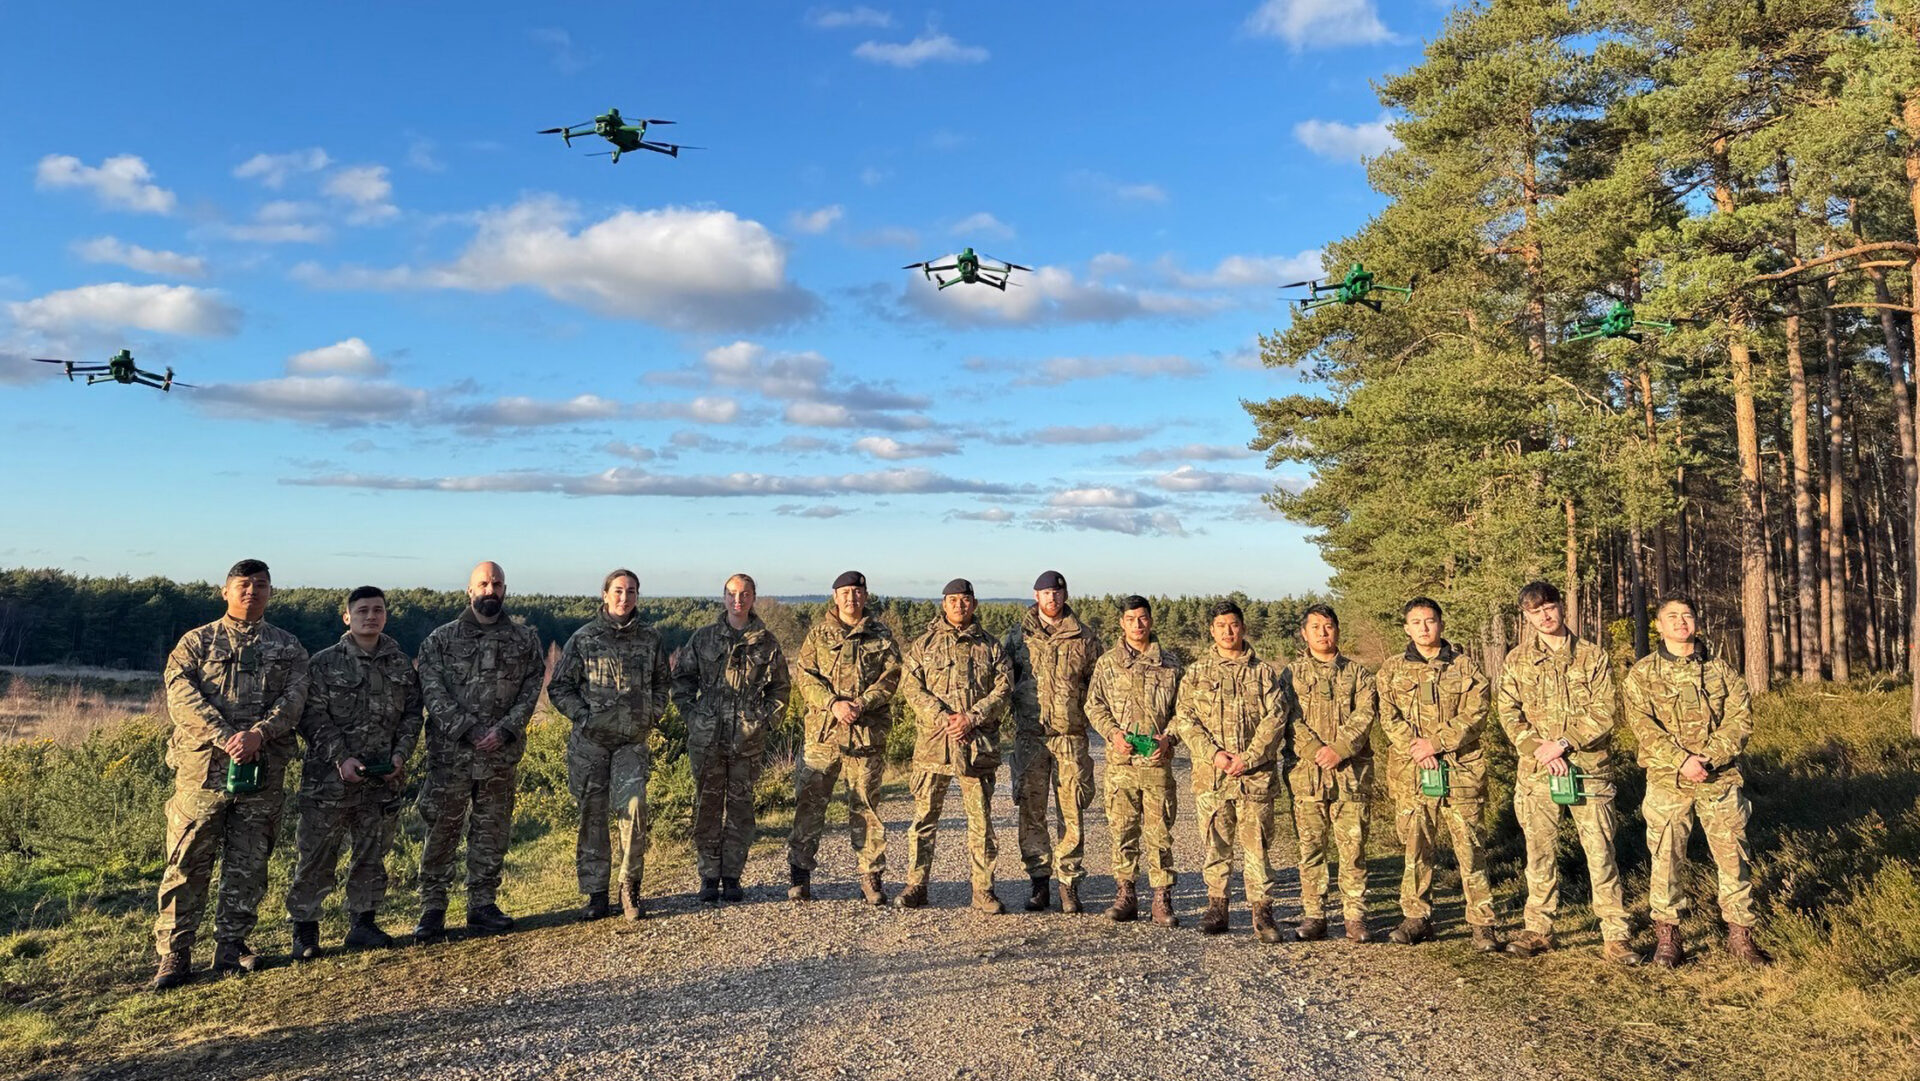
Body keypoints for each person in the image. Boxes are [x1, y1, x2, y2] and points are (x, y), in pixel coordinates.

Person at [151, 558, 308, 990]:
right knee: (187, 860)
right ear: (225, 591)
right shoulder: (196, 642)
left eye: (260, 585)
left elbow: (295, 699)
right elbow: (180, 696)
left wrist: (259, 734)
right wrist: (227, 737)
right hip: (203, 773)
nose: (251, 591)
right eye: (243, 584)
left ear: (271, 593)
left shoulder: (288, 646)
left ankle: (232, 944)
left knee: (249, 862)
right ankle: (175, 953)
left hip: (262, 771)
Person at [1497, 581, 1641, 966]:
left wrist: (1563, 743)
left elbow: (1606, 711)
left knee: (1600, 852)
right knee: (1539, 853)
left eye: (1549, 607)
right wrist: (1539, 749)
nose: (1544, 616)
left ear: (1561, 607)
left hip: (1588, 771)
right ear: (1526, 618)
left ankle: (1616, 934)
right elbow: (1508, 714)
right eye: (1534, 611)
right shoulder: (1517, 660)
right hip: (1537, 774)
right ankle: (1539, 929)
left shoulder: (1592, 656)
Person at [1622, 596, 1770, 967]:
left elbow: (1740, 720)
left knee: (1733, 857)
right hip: (1667, 781)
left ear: (1697, 623)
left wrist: (1708, 758)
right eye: (1672, 617)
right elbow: (1642, 727)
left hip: (1719, 779)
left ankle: (1740, 935)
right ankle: (1669, 938)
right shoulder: (1642, 674)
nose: (1680, 622)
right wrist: (1681, 760)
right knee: (1666, 858)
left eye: (1687, 615)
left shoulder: (1722, 672)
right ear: (1658, 625)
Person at [285, 585, 422, 960]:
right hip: (329, 781)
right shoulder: (324, 663)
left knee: (372, 854)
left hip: (382, 781)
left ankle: (363, 923)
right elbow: (311, 717)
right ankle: (305, 931)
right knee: (317, 856)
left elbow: (412, 714)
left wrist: (401, 754)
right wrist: (340, 758)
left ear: (386, 616)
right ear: (347, 617)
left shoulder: (399, 664)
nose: (371, 616)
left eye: (378, 610)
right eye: (362, 611)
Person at [413, 561, 545, 940]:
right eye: (483, 584)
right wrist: (468, 729)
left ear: (506, 589)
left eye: (497, 584)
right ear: (469, 590)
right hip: (451, 756)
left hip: (500, 755)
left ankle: (482, 905)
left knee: (492, 831)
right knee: (441, 829)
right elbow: (431, 689)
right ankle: (432, 909)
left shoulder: (524, 640)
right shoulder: (441, 639)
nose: (491, 590)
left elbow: (532, 687)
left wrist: (506, 729)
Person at [1375, 596, 1502, 952]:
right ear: (1406, 628)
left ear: (1441, 624)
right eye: (1416, 622)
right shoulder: (1391, 670)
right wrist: (1416, 747)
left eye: (1430, 621)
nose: (1424, 628)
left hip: (1460, 771)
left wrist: (1436, 743)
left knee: (1470, 847)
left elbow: (1477, 713)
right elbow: (1387, 716)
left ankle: (1482, 922)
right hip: (1413, 772)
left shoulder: (1466, 667)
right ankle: (1417, 918)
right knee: (1416, 846)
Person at [547, 569, 672, 921]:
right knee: (593, 817)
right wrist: (584, 717)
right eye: (618, 591)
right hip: (590, 745)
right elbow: (559, 688)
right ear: (604, 594)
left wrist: (653, 714)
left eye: (631, 591)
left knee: (634, 810)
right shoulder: (584, 639)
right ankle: (596, 893)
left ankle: (629, 887)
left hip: (632, 742)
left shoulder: (651, 639)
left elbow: (664, 682)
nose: (624, 597)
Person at [1171, 600, 1292, 942]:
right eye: (1221, 625)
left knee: (1258, 846)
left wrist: (1249, 757)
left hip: (1254, 776)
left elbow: (1276, 719)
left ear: (1243, 628)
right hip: (1213, 776)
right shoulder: (1196, 673)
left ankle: (1262, 911)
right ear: (1211, 630)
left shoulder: (1264, 673)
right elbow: (1185, 720)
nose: (1228, 631)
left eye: (1234, 625)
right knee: (1216, 843)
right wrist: (1214, 755)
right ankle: (1217, 906)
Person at [673, 573, 791, 905]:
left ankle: (733, 876)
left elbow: (780, 688)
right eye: (732, 594)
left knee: (741, 808)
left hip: (747, 739)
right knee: (707, 807)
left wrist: (765, 719)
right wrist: (693, 717)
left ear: (754, 597)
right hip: (707, 737)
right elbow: (681, 681)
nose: (738, 600)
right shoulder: (705, 638)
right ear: (723, 597)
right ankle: (709, 876)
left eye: (745, 594)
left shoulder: (765, 641)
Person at [898, 578, 1014, 912]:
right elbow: (911, 687)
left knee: (981, 822)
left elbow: (1004, 688)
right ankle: (916, 886)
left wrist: (972, 718)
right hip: (934, 746)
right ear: (943, 604)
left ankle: (983, 891)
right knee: (923, 820)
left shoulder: (991, 647)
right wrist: (944, 718)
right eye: (952, 601)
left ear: (974, 605)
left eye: (965, 600)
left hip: (976, 747)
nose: (959, 606)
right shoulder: (924, 645)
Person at [788, 571, 903, 905]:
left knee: (866, 805)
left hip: (866, 733)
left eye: (857, 592)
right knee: (809, 803)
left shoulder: (880, 634)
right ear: (834, 597)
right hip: (824, 734)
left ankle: (871, 876)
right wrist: (833, 703)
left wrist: (863, 702)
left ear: (865, 596)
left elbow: (892, 676)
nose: (851, 598)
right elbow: (805, 677)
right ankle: (799, 874)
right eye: (845, 592)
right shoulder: (818, 635)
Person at [1005, 570, 1102, 914]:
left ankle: (1069, 884)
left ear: (1065, 595)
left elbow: (1097, 685)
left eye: (1058, 594)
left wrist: (1085, 718)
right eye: (1046, 593)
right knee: (1031, 810)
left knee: (1071, 811)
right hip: (1030, 737)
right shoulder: (1017, 637)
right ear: (1036, 596)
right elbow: (1003, 680)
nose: (1053, 599)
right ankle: (1039, 882)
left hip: (1070, 737)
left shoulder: (1084, 637)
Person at [1278, 603, 1377, 943]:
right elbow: (1287, 718)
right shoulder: (1290, 675)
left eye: (1329, 626)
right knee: (1311, 848)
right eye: (1316, 627)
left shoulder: (1359, 675)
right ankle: (1314, 914)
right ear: (1304, 633)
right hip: (1307, 775)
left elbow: (1364, 715)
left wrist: (1339, 749)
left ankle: (1355, 916)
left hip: (1350, 775)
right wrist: (1314, 751)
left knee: (1353, 849)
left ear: (1338, 631)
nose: (1323, 632)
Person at [1084, 595, 1182, 926]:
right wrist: (1112, 733)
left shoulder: (1170, 664)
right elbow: (1093, 705)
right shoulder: (1107, 663)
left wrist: (1169, 738)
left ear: (1151, 621)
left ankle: (1161, 899)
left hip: (1156, 764)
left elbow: (1185, 712)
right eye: (1130, 619)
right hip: (1121, 764)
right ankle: (1126, 895)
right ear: (1121, 623)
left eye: (1142, 618)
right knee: (1122, 830)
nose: (1137, 624)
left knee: (1159, 833)